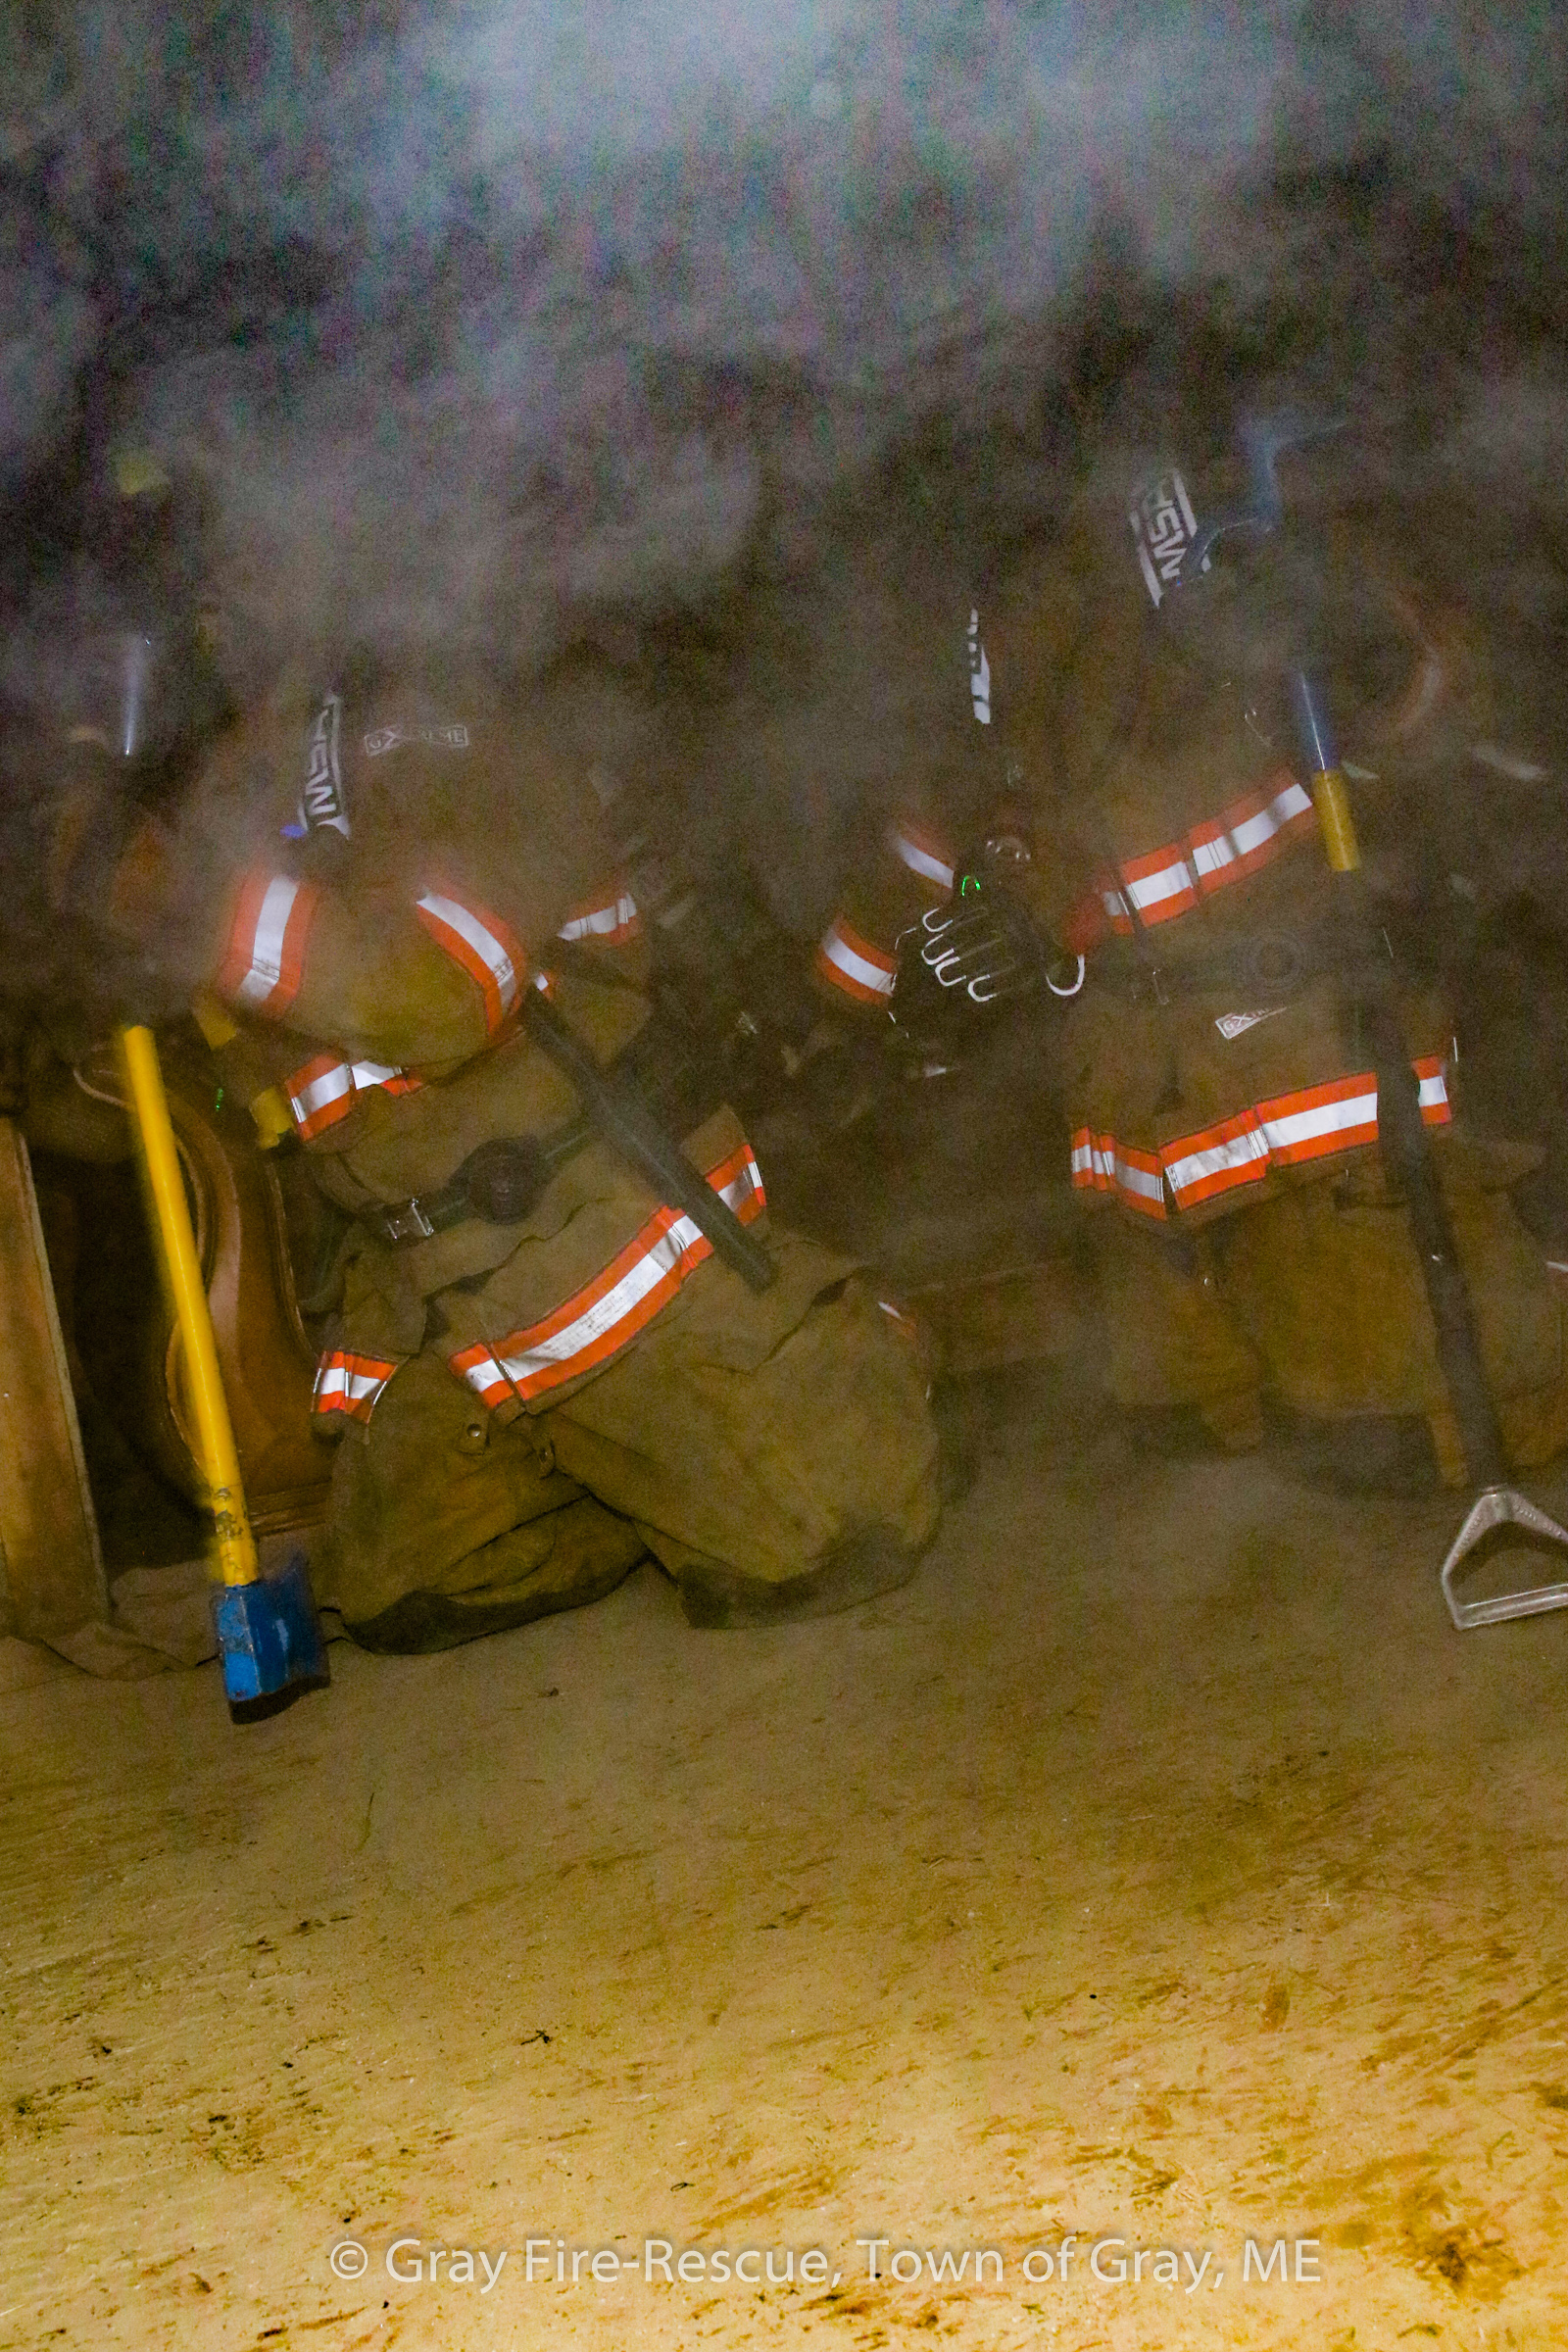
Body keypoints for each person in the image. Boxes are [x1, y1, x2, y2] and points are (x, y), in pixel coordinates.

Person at [73, 634, 941, 1649]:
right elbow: (207, 1093)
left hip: (604, 1242)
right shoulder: (238, 826)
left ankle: (866, 1347)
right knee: (403, 1593)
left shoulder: (449, 730)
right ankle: (640, 1484)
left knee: (830, 1527)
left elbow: (444, 992)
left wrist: (173, 895)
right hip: (444, 1304)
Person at [960, 435, 1568, 1488]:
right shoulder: (1038, 595)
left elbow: (1440, 692)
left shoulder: (1201, 512)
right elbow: (996, 812)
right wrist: (1003, 903)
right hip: (1191, 1061)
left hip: (1277, 1034)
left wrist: (1353, 651)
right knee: (1294, 1406)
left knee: (1418, 1405)